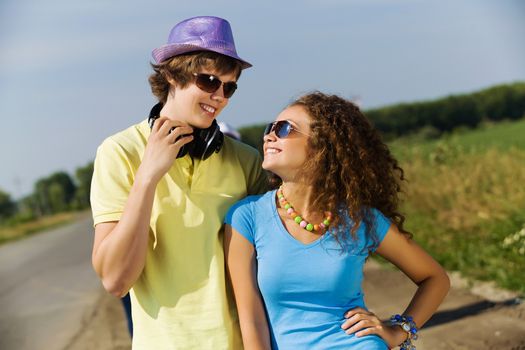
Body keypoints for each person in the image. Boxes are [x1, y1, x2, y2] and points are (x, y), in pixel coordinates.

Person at [90, 16, 268, 349]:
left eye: (229, 87)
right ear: (172, 75)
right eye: (209, 81)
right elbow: (115, 281)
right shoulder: (119, 153)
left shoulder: (246, 160)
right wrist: (147, 176)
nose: (220, 96)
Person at [224, 92, 450, 349]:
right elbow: (251, 318)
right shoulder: (247, 216)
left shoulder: (361, 220)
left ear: (323, 146)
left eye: (285, 129)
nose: (269, 136)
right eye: (270, 128)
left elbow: (435, 278)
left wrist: (400, 331)